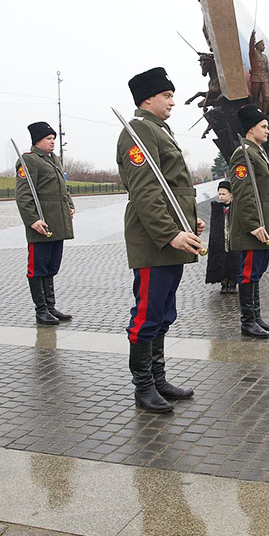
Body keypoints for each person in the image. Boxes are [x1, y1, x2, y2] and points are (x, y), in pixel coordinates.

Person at [117, 66, 205, 413]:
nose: (172, 102)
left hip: (171, 238)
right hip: (155, 242)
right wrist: (171, 233)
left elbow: (171, 187)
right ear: (148, 98)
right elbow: (145, 192)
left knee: (164, 311)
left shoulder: (157, 130)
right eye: (167, 96)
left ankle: (158, 378)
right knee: (148, 314)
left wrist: (188, 218)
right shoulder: (137, 133)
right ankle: (143, 387)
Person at [229, 104, 269, 338]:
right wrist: (253, 224)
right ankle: (247, 321)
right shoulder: (243, 153)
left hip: (264, 223)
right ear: (251, 129)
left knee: (257, 271)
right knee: (249, 272)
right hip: (253, 227)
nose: (268, 131)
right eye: (263, 127)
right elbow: (243, 193)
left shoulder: (257, 151)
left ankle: (256, 316)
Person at [15, 122, 75, 326]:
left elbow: (62, 188)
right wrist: (32, 220)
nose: (52, 142)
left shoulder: (54, 160)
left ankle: (50, 307)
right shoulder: (29, 161)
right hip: (41, 223)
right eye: (48, 139)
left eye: (53, 139)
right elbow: (23, 195)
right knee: (37, 268)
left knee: (51, 266)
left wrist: (70, 205)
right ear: (37, 140)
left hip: (57, 222)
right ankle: (41, 310)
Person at [205, 181, 240, 294]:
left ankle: (233, 282)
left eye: (223, 194)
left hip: (232, 240)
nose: (221, 196)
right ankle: (224, 282)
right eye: (219, 194)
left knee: (233, 259)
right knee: (221, 260)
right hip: (220, 240)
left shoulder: (235, 208)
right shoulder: (216, 208)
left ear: (230, 194)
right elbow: (214, 225)